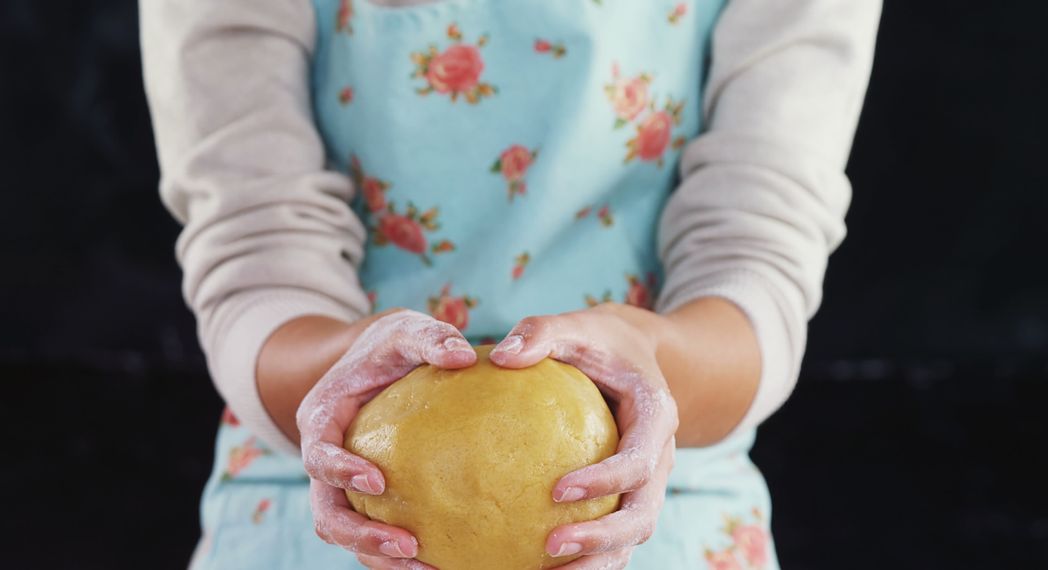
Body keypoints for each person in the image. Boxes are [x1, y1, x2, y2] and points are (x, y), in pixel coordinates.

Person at [141, 0, 880, 568]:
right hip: (324, 485)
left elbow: (755, 260)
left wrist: (650, 371)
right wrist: (333, 394)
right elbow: (257, 245)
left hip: (665, 476)